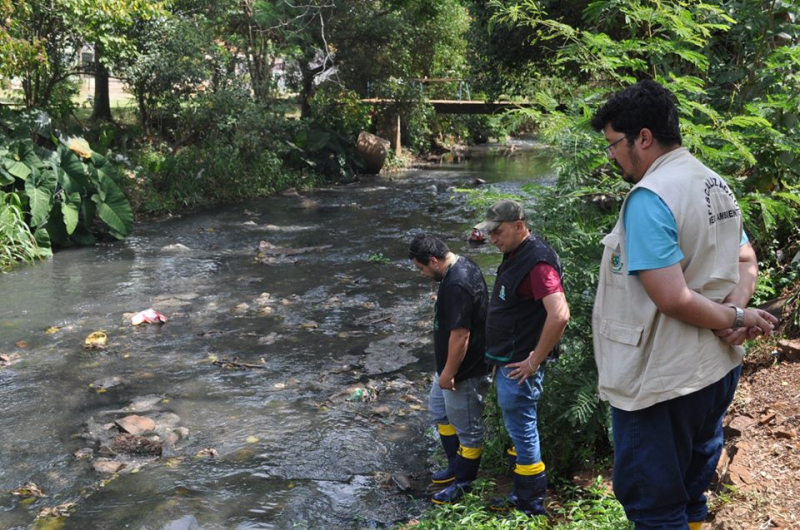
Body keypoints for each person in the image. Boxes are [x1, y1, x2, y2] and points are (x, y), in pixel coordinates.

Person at [590, 79, 778, 530]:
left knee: (654, 508)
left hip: (662, 383)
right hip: (714, 372)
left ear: (643, 138)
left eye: (614, 143)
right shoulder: (713, 183)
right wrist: (734, 314)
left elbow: (672, 298)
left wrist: (734, 316)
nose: (612, 155)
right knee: (692, 493)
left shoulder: (650, 198)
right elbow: (746, 258)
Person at [475, 200, 571, 516]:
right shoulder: (518, 253)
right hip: (510, 361)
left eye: (497, 232)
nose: (492, 239)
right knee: (518, 429)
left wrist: (533, 361)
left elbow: (560, 314)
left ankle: (531, 504)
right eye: (490, 233)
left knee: (523, 430)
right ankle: (522, 494)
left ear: (519, 226)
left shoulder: (538, 263)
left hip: (520, 367)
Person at [408, 234, 491, 504]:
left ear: (433, 260)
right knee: (439, 412)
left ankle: (463, 484)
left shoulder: (457, 283)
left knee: (468, 431)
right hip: (449, 367)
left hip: (464, 371)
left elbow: (461, 335)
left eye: (421, 268)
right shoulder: (461, 265)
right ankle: (456, 467)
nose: (421, 274)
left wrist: (449, 373)